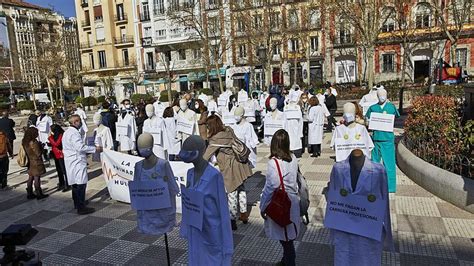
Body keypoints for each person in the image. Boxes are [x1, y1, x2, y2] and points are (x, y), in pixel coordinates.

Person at [179, 135, 233, 265]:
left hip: (211, 232)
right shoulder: (190, 174)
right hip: (195, 231)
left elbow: (224, 211)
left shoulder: (214, 176)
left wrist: (228, 246)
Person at [203, 115, 252, 230]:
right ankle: (244, 214)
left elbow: (205, 157)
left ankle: (232, 219)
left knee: (232, 192)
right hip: (240, 163)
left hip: (230, 167)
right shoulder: (228, 130)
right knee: (241, 188)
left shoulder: (216, 139)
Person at [260, 129, 300, 266]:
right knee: (288, 237)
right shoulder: (293, 157)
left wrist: (263, 206)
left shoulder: (274, 162)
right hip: (292, 200)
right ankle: (285, 261)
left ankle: (289, 262)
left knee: (286, 241)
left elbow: (271, 186)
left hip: (282, 203)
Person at [63, 114, 102, 215]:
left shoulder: (67, 132)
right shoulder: (74, 133)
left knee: (75, 184)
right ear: (75, 122)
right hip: (77, 161)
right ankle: (81, 207)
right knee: (81, 184)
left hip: (71, 161)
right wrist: (95, 149)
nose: (80, 122)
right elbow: (80, 147)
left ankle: (77, 203)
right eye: (79, 121)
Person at [22, 127, 49, 200]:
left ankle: (29, 192)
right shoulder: (34, 142)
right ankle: (39, 193)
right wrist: (42, 147)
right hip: (36, 162)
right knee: (37, 177)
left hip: (30, 161)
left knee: (30, 177)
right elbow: (38, 153)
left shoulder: (25, 141)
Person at [48, 125, 70, 192]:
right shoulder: (55, 135)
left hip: (61, 155)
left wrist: (50, 137)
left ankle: (67, 184)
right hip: (56, 154)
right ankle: (61, 183)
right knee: (59, 170)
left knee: (64, 170)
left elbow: (57, 144)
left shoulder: (61, 135)